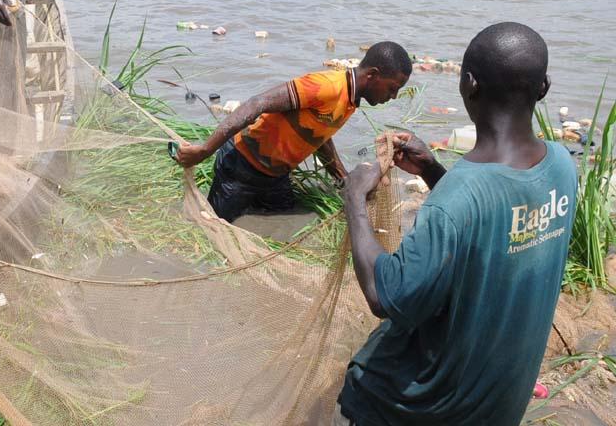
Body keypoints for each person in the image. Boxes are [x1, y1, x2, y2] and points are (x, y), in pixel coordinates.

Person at [336, 23, 576, 426]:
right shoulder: (562, 166)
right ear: (544, 87)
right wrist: (431, 170)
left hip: (439, 407)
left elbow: (383, 295)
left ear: (468, 84)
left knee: (362, 379)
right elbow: (491, 218)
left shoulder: (458, 198)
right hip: (503, 399)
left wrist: (355, 200)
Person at [174, 42, 412, 222]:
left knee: (286, 217)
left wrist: (342, 178)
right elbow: (256, 104)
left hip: (275, 177)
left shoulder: (351, 98)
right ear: (372, 75)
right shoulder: (324, 87)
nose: (393, 96)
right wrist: (204, 151)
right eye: (392, 88)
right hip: (241, 168)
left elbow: (318, 134)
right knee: (209, 225)